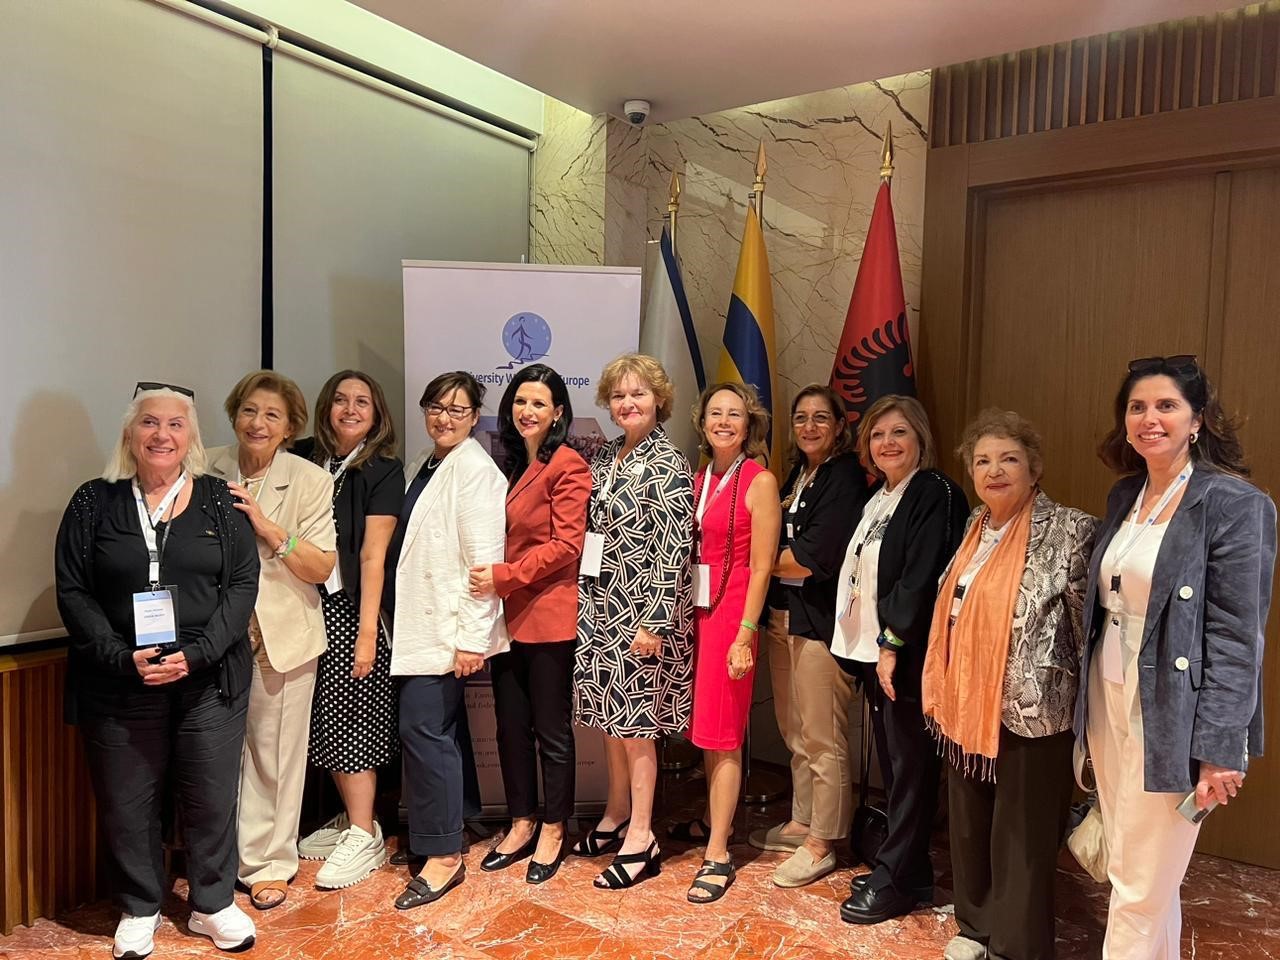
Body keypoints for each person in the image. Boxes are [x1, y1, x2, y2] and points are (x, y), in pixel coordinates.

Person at [1074, 355, 1275, 959]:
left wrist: (1221, 746)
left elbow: (1237, 637)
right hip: (1107, 693)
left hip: (1171, 709)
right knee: (1137, 867)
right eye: (1137, 407)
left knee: (1140, 881)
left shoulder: (1235, 503)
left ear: (1198, 419)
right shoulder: (1125, 494)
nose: (1149, 419)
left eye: (1167, 406)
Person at [55, 383, 259, 957]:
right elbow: (73, 590)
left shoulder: (220, 499)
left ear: (191, 436)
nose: (161, 434)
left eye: (175, 424)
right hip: (120, 680)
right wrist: (121, 657)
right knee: (128, 800)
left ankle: (212, 905)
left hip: (209, 678)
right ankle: (140, 907)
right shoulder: (93, 501)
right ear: (130, 433)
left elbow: (242, 585)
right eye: (149, 422)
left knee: (211, 796)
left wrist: (198, 653)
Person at [920, 409, 1096, 960]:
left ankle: (1016, 946)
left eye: (1009, 459)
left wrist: (1092, 714)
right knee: (970, 821)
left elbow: (1086, 630)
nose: (994, 471)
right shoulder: (976, 525)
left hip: (1034, 708)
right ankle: (976, 925)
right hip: (965, 702)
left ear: (1034, 468)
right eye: (982, 461)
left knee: (1023, 834)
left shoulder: (1071, 529)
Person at [832, 394, 969, 925]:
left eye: (899, 433)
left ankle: (898, 878)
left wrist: (891, 643)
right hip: (874, 651)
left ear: (920, 439)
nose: (887, 443)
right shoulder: (880, 496)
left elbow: (922, 575)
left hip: (906, 654)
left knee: (911, 768)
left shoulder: (933, 491)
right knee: (894, 765)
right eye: (877, 434)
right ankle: (907, 870)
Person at [206, 371, 337, 911]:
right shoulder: (202, 466)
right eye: (249, 411)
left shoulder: (309, 480)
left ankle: (268, 864)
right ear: (234, 414)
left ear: (289, 428)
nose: (258, 423)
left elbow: (321, 566)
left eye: (272, 415)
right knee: (210, 752)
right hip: (212, 635)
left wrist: (268, 528)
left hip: (278, 633)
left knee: (274, 754)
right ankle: (214, 860)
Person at [573, 353, 694, 889]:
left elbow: (675, 549)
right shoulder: (607, 456)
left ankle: (642, 837)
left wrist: (655, 622)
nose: (628, 403)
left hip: (642, 616)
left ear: (659, 400)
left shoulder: (668, 464)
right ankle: (616, 813)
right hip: (601, 610)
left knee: (638, 730)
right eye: (619, 395)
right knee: (610, 723)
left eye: (638, 394)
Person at [389, 371, 509, 909]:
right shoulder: (427, 461)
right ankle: (458, 819)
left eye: (458, 410)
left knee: (424, 730)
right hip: (422, 620)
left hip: (446, 628)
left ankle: (442, 857)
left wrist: (471, 640)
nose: (444, 418)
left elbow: (485, 564)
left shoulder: (476, 472)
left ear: (475, 416)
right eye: (436, 407)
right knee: (445, 729)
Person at [467, 364, 591, 884]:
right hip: (508, 619)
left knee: (550, 732)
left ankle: (554, 829)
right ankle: (521, 822)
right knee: (510, 727)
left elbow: (567, 546)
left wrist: (505, 576)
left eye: (539, 403)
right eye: (520, 401)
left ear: (558, 412)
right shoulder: (515, 462)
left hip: (547, 615)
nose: (527, 411)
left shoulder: (568, 464)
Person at [749, 384, 869, 888]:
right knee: (795, 730)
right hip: (784, 617)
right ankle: (802, 820)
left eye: (822, 418)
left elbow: (811, 559)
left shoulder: (845, 478)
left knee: (823, 736)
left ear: (840, 426)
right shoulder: (799, 473)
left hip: (820, 624)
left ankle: (824, 841)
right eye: (801, 418)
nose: (810, 427)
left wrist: (754, 563)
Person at [291, 371, 404, 889]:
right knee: (322, 719)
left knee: (351, 718)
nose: (350, 409)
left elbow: (373, 557)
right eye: (340, 399)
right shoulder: (302, 456)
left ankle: (364, 832)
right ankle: (354, 819)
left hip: (351, 610)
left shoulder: (382, 469)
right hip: (300, 605)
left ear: (377, 414)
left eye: (363, 401)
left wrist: (366, 634)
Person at [673, 382, 780, 904]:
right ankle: (717, 822)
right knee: (708, 733)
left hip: (732, 619)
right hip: (696, 616)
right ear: (702, 421)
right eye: (715, 413)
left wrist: (745, 634)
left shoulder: (759, 481)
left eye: (734, 414)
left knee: (724, 734)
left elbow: (763, 567)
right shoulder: (700, 479)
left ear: (748, 423)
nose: (723, 422)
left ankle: (718, 852)